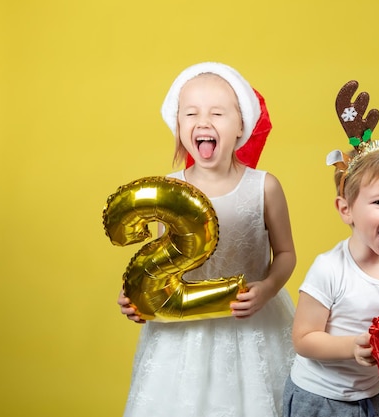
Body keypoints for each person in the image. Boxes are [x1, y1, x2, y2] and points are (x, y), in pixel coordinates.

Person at [117, 62, 296, 417]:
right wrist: (136, 300)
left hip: (250, 327)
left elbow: (287, 253)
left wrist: (268, 288)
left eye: (218, 113)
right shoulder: (165, 190)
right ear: (178, 124)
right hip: (181, 337)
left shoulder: (264, 186)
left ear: (242, 124)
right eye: (191, 113)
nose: (203, 121)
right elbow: (155, 266)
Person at [283, 143, 379, 417]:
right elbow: (303, 339)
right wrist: (352, 346)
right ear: (346, 210)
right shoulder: (329, 269)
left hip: (377, 396)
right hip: (321, 399)